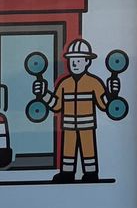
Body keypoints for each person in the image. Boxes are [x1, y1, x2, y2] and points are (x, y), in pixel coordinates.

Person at [46, 39, 111, 183]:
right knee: (68, 152)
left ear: (87, 62)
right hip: (68, 126)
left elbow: (104, 105)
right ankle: (67, 174)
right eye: (72, 60)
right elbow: (56, 105)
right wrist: (44, 94)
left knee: (89, 151)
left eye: (79, 60)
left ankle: (91, 173)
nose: (74, 64)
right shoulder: (64, 84)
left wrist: (112, 94)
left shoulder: (94, 83)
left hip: (87, 126)